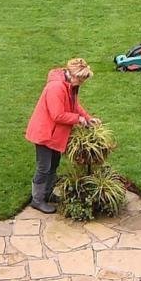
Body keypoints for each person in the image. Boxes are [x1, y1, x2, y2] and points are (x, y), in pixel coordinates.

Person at [23, 56, 96, 214]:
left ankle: (47, 194)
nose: (82, 83)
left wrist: (88, 118)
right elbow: (57, 115)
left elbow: (74, 105)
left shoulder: (69, 85)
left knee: (54, 164)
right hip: (45, 132)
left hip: (55, 133)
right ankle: (37, 200)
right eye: (81, 79)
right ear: (73, 75)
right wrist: (79, 119)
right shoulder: (56, 87)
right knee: (44, 167)